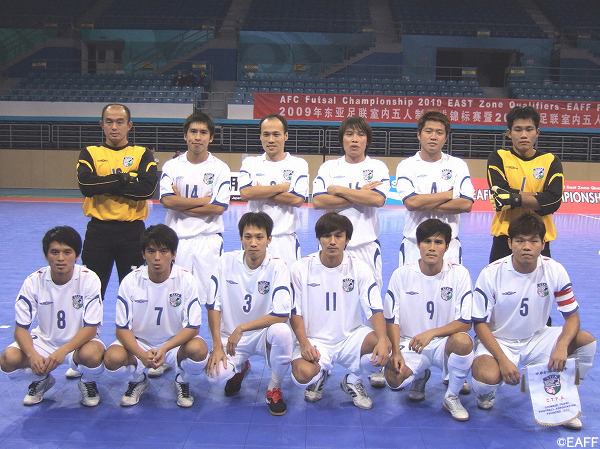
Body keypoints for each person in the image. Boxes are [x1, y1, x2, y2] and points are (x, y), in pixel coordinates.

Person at [471, 213, 596, 430]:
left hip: (537, 337)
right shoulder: (491, 273)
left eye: (533, 241)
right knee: (485, 379)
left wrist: (562, 345)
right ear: (509, 243)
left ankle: (563, 398)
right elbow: (479, 324)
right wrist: (502, 360)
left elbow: (572, 317)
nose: (526, 247)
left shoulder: (554, 269)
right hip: (500, 340)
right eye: (520, 240)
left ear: (543, 244)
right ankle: (487, 392)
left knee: (586, 341)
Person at [290, 212, 389, 410]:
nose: (332, 241)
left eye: (338, 236)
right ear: (319, 238)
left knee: (386, 347)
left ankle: (353, 380)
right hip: (315, 340)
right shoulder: (300, 268)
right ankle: (318, 375)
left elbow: (374, 308)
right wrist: (304, 344)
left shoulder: (359, 268)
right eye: (327, 236)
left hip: (350, 337)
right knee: (302, 374)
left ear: (347, 240)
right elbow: (295, 312)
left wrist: (382, 340)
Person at [103, 224, 208, 407]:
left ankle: (182, 379)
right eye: (151, 251)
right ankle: (137, 380)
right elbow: (121, 329)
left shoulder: (186, 280)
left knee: (198, 349)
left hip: (174, 344)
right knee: (112, 359)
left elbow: (193, 327)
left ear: (174, 254)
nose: (157, 257)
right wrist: (142, 354)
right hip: (140, 343)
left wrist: (165, 348)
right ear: (143, 254)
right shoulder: (130, 281)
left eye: (164, 251)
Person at [0, 227, 104, 407]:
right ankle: (41, 379)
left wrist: (63, 350)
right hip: (44, 341)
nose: (61, 258)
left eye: (67, 252)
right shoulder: (33, 281)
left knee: (93, 355)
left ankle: (88, 381)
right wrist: (33, 355)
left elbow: (91, 328)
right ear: (46, 255)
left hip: (80, 342)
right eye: (54, 252)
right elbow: (21, 329)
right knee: (9, 359)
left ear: (77, 255)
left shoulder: (89, 279)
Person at [383, 219, 474, 421]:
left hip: (443, 344)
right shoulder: (401, 274)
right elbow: (391, 319)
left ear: (447, 247)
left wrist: (431, 333)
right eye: (427, 241)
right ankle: (420, 374)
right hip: (411, 343)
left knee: (463, 341)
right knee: (393, 380)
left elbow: (466, 321)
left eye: (438, 242)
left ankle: (451, 396)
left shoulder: (459, 274)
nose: (432, 247)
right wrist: (396, 352)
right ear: (418, 244)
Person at [206, 212, 293, 416]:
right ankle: (239, 367)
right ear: (241, 238)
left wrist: (242, 328)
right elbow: (213, 305)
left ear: (269, 239)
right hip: (231, 338)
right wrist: (217, 346)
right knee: (214, 376)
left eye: (259, 237)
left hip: (263, 335)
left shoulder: (278, 266)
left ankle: (274, 388)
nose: (253, 243)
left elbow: (282, 314)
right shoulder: (224, 262)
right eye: (248, 237)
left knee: (282, 332)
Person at [77, 104, 158, 300]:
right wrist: (126, 178)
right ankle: (91, 323)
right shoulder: (90, 152)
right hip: (98, 232)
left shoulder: (142, 153)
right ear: (102, 125)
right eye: (109, 122)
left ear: (129, 125)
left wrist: (103, 183)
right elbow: (86, 186)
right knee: (91, 293)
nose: (114, 127)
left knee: (135, 295)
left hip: (132, 233)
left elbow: (146, 190)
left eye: (120, 122)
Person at [312, 116, 390, 289]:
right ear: (342, 139)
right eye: (349, 134)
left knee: (369, 298)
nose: (355, 139)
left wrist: (339, 190)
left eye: (360, 134)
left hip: (366, 247)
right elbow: (318, 201)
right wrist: (361, 195)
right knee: (331, 295)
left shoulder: (378, 167)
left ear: (367, 140)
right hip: (332, 246)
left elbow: (377, 199)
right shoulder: (329, 167)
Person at [160, 111, 230, 296]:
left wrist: (180, 204)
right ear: (185, 135)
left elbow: (218, 207)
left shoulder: (220, 168)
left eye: (203, 132)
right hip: (177, 239)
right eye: (193, 131)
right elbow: (167, 200)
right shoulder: (172, 166)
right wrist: (203, 201)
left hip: (208, 240)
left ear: (211, 137)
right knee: (175, 295)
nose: (198, 137)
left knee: (211, 296)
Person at [395, 110, 474, 266]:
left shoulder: (458, 165)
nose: (433, 137)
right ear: (419, 135)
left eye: (439, 132)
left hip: (449, 245)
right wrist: (449, 194)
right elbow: (411, 203)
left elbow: (466, 204)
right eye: (428, 131)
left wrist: (422, 203)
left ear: (446, 137)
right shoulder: (406, 166)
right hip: (414, 244)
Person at [487, 106, 563, 263]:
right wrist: (539, 198)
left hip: (539, 239)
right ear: (509, 133)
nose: (523, 135)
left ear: (537, 132)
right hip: (505, 237)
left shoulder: (550, 161)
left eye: (529, 129)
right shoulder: (499, 157)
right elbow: (500, 195)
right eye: (518, 129)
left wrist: (513, 199)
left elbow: (553, 201)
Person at [239, 114, 309, 267]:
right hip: (255, 240)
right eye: (266, 134)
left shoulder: (298, 164)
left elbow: (297, 199)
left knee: (287, 281)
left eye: (276, 134)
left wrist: (259, 191)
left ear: (286, 136)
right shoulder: (250, 163)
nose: (271, 139)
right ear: (260, 137)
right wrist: (280, 188)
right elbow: (245, 193)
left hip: (285, 241)